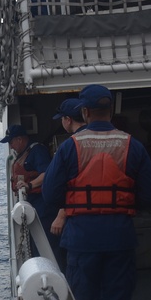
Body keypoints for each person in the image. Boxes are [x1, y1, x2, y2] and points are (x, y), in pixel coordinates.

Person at [42, 84, 151, 300]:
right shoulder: (133, 145)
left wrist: (75, 204)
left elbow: (50, 195)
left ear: (84, 111)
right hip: (120, 238)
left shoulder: (70, 147)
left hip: (82, 241)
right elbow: (150, 196)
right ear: (112, 110)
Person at [0, 124, 56, 259]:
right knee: (34, 245)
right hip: (32, 205)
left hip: (43, 206)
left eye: (11, 142)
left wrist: (29, 185)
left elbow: (47, 173)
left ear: (19, 139)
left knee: (45, 244)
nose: (11, 146)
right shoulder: (23, 154)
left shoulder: (37, 151)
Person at [48, 98, 86, 270]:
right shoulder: (121, 141)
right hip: (117, 225)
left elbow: (51, 191)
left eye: (62, 118)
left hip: (79, 225)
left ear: (68, 120)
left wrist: (61, 214)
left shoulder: (68, 146)